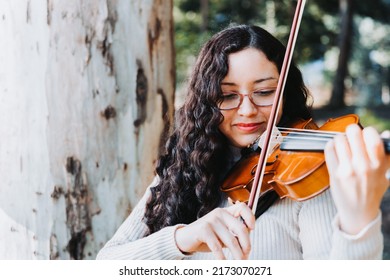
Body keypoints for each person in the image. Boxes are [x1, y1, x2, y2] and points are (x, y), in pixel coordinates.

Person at [96, 24, 389, 260]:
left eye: (264, 92)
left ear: (284, 92)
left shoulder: (307, 180)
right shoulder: (184, 168)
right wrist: (184, 238)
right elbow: (107, 263)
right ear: (206, 102)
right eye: (227, 95)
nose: (247, 110)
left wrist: (358, 222)